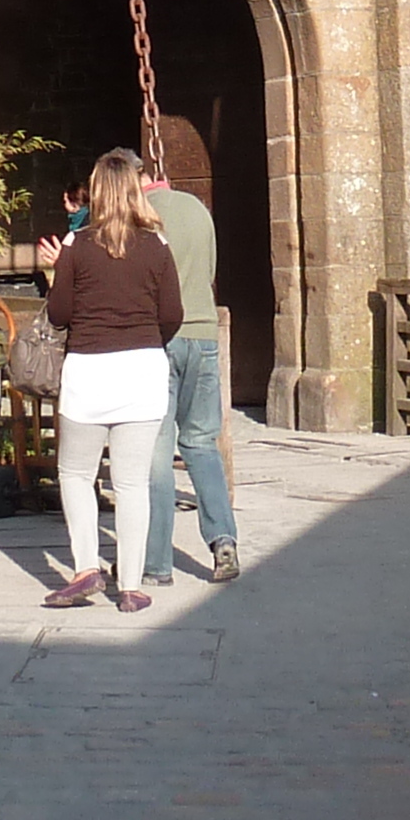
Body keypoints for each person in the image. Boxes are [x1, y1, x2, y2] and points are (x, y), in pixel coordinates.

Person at [42, 151, 183, 612]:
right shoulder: (157, 245)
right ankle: (132, 586)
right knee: (132, 484)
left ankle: (86, 568)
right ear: (135, 191)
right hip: (142, 371)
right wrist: (143, 341)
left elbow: (59, 314)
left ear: (97, 192)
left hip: (89, 370)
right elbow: (172, 317)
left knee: (77, 474)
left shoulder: (76, 245)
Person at [141, 155, 243, 583]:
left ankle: (156, 564)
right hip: (203, 332)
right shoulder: (199, 209)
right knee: (202, 443)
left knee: (157, 455)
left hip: (160, 337)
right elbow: (211, 270)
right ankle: (223, 542)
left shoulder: (141, 217)